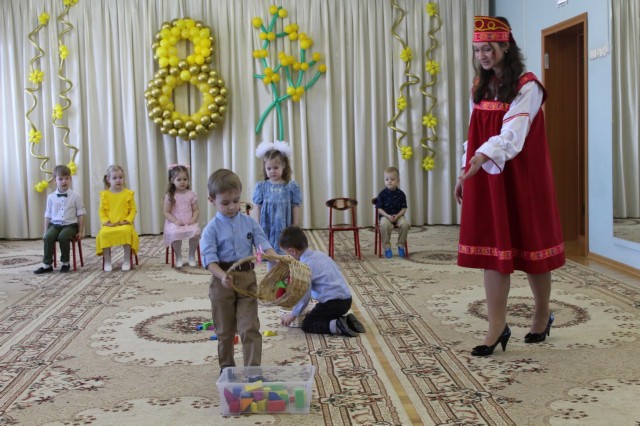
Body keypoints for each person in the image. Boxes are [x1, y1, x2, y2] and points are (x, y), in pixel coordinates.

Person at [454, 16, 565, 357]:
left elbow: (512, 135)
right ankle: (496, 326)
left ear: (505, 46)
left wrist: (480, 157)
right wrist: (465, 168)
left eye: (488, 48)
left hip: (523, 177)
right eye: (477, 50)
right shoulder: (480, 85)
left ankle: (542, 314)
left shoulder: (528, 86)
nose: (482, 55)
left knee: (532, 250)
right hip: (487, 173)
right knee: (493, 249)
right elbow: (473, 133)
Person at [200, 168, 277, 373]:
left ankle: (252, 371)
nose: (232, 207)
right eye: (225, 203)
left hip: (247, 281)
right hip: (222, 283)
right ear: (212, 200)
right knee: (224, 330)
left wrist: (276, 258)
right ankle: (227, 369)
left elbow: (263, 244)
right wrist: (222, 275)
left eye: (236, 200)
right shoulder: (211, 229)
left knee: (249, 326)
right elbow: (209, 261)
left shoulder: (249, 223)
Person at [278, 226, 366, 337]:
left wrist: (293, 315)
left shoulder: (304, 267)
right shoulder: (320, 254)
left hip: (333, 304)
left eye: (287, 253)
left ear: (292, 251)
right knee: (321, 315)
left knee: (308, 323)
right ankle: (347, 321)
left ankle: (338, 325)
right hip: (346, 299)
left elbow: (304, 296)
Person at [34, 165, 86, 274]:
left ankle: (65, 263)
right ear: (55, 181)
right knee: (48, 237)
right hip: (55, 225)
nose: (64, 181)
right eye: (61, 179)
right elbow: (48, 215)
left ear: (70, 180)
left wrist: (80, 231)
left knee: (63, 236)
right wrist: (45, 232)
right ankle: (47, 265)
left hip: (70, 226)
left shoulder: (76, 196)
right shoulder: (51, 197)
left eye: (67, 178)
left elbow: (80, 214)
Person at [253, 141, 302, 254]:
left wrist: (295, 223)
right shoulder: (262, 186)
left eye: (275, 167)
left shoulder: (291, 186)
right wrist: (257, 223)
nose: (272, 171)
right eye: (269, 168)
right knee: (267, 245)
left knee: (284, 245)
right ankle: (268, 257)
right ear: (265, 168)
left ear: (283, 165)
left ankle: (282, 258)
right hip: (267, 223)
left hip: (283, 223)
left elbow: (295, 205)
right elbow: (258, 206)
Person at [96, 165, 140, 272]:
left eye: (120, 177)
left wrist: (127, 221)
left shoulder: (128, 193)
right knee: (103, 234)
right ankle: (107, 261)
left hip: (124, 224)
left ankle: (126, 260)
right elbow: (101, 211)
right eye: (114, 178)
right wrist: (106, 222)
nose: (118, 180)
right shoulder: (104, 194)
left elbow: (133, 210)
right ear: (108, 179)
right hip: (109, 225)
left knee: (126, 232)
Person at [163, 164, 201, 267]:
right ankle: (178, 256)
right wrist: (175, 221)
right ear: (172, 180)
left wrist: (193, 219)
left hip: (189, 222)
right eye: (179, 179)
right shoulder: (170, 195)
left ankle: (191, 255)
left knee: (196, 232)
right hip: (174, 223)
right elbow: (166, 212)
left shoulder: (191, 194)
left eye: (185, 179)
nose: (182, 182)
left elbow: (196, 210)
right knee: (175, 233)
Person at [375, 166, 410, 258]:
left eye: (392, 179)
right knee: (384, 225)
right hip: (385, 216)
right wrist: (387, 215)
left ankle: (401, 245)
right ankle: (387, 247)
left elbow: (404, 208)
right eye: (387, 179)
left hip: (399, 216)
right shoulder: (382, 194)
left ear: (398, 180)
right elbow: (379, 209)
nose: (389, 181)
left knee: (405, 224)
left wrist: (398, 216)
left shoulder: (401, 194)